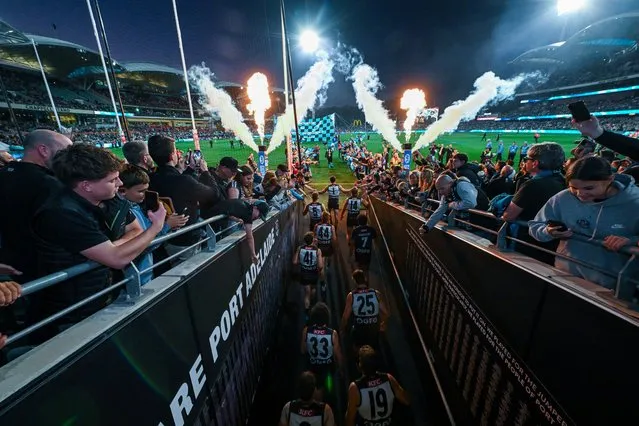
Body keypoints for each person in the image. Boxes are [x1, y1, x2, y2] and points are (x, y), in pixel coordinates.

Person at [31, 144, 166, 337]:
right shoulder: (61, 213)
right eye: (112, 180)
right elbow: (117, 259)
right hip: (72, 314)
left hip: (104, 296)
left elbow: (135, 230)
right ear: (86, 185)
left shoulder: (108, 197)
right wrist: (156, 228)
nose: (120, 183)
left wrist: (112, 249)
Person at [529, 156, 639, 300]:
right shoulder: (562, 198)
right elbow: (535, 226)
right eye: (573, 187)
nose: (580, 194)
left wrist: (629, 241)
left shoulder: (634, 203)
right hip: (563, 277)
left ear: (610, 179)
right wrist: (548, 232)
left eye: (589, 188)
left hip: (611, 289)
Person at [0, 130, 71, 283]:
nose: (69, 157)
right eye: (65, 151)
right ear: (43, 150)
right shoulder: (51, 184)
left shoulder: (4, 173)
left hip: (12, 264)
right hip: (47, 267)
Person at [147, 135, 219, 263]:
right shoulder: (183, 181)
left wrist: (190, 169)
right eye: (175, 151)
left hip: (165, 238)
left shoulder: (150, 178)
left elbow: (175, 186)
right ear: (171, 156)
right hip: (186, 240)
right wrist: (205, 172)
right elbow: (213, 195)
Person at [118, 165, 189, 284]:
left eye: (146, 190)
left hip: (144, 273)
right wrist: (166, 225)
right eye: (141, 191)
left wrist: (167, 227)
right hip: (135, 279)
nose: (144, 195)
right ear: (122, 191)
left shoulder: (135, 207)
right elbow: (143, 244)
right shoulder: (126, 213)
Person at [345, 345, 409, 426]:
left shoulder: (355, 388)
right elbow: (406, 400)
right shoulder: (388, 379)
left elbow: (350, 419)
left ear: (359, 366)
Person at [300, 303, 343, 401]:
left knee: (315, 386)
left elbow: (302, 350)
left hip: (312, 366)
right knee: (328, 383)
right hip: (327, 367)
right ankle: (328, 392)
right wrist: (341, 369)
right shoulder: (332, 334)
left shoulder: (306, 331)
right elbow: (338, 355)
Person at [340, 270, 389, 353]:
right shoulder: (376, 293)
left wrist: (342, 329)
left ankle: (359, 361)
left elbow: (345, 317)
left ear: (355, 281)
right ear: (365, 279)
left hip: (359, 329)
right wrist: (383, 323)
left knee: (357, 348)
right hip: (373, 329)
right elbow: (386, 313)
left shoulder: (352, 296)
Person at [293, 232, 324, 309]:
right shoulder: (317, 250)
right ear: (312, 240)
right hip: (313, 274)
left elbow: (294, 261)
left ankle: (307, 311)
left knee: (307, 293)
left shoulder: (300, 248)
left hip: (304, 274)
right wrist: (318, 270)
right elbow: (320, 266)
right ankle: (312, 301)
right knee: (313, 289)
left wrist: (301, 261)